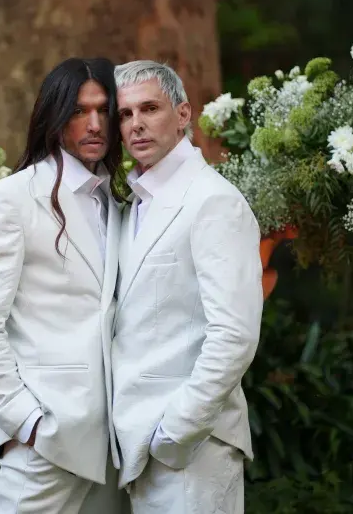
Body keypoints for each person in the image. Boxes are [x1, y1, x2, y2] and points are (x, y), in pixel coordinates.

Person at [0, 57, 124, 513]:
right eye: (77, 111)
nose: (93, 124)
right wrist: (25, 422)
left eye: (104, 110)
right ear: (54, 117)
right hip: (48, 436)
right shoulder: (9, 200)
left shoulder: (119, 200)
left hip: (117, 439)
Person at [110, 60, 263, 513]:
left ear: (182, 115)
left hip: (191, 450)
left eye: (150, 108)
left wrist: (176, 433)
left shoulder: (213, 201)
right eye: (124, 114)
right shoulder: (131, 205)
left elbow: (234, 335)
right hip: (137, 447)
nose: (136, 124)